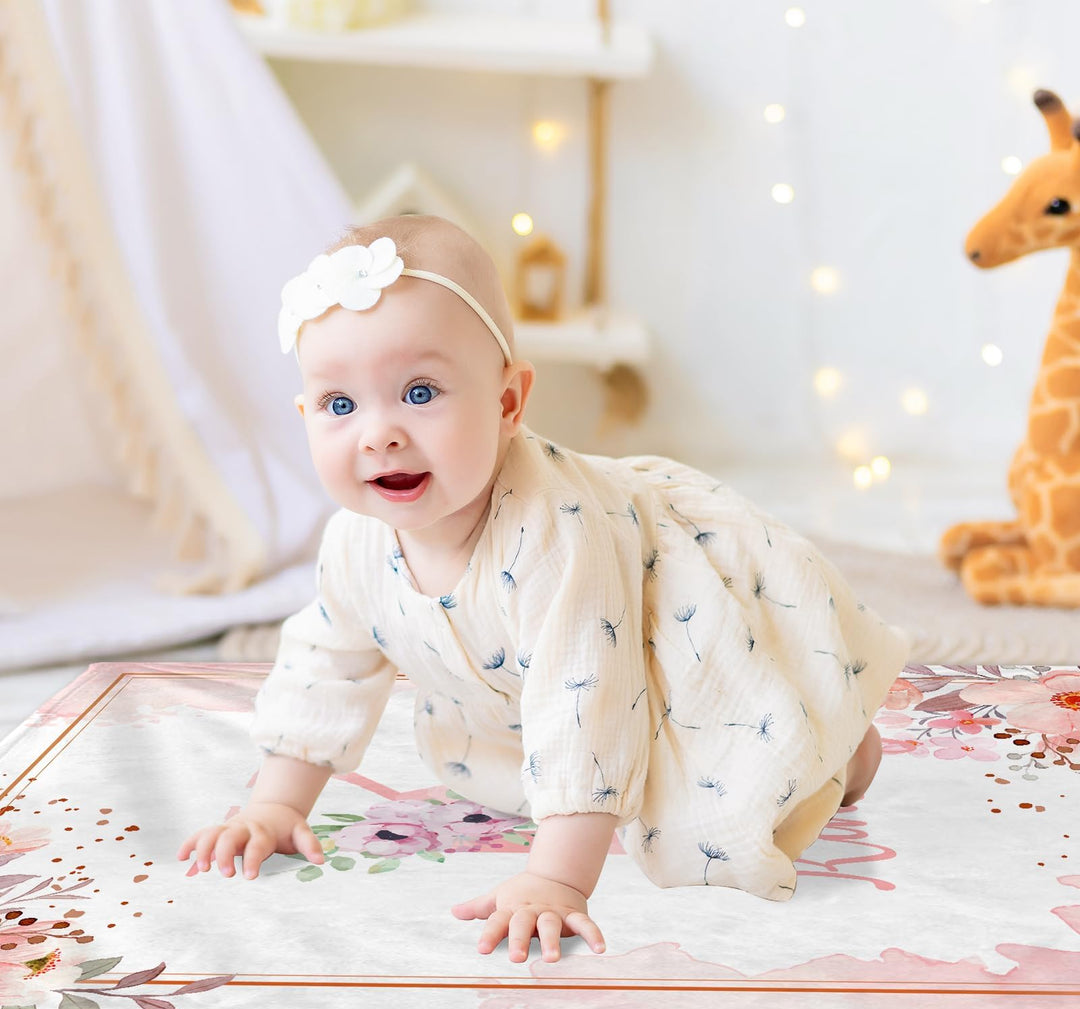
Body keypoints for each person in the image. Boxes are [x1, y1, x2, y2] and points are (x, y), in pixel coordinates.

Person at [178, 215, 909, 964]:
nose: (378, 434)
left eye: (420, 391)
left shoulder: (552, 533)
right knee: (546, 775)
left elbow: (583, 696)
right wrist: (274, 803)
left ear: (507, 404)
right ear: (303, 416)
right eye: (340, 405)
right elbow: (323, 668)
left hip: (661, 627)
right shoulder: (355, 540)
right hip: (525, 694)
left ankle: (839, 749)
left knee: (725, 783)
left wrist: (557, 879)